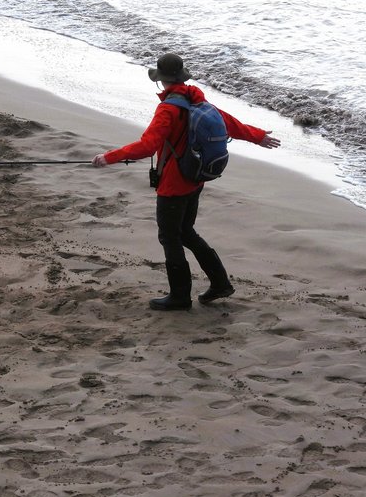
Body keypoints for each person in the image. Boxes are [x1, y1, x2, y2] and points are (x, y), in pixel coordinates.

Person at [92, 53, 281, 311]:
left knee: (170, 237)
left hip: (174, 184)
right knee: (187, 233)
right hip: (196, 179)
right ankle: (220, 283)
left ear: (160, 81)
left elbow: (148, 146)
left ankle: (180, 296)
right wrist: (258, 136)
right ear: (181, 76)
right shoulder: (197, 99)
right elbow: (230, 123)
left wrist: (108, 157)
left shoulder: (168, 109)